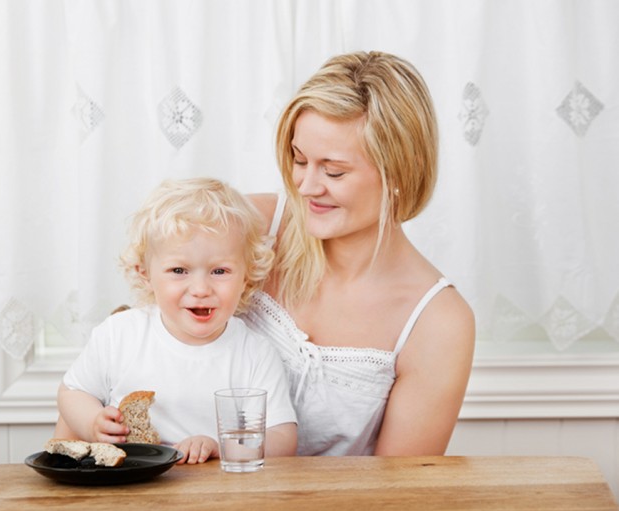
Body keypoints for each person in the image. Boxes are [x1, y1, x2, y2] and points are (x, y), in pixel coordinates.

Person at [242, 51, 475, 456]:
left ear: (401, 169)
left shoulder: (438, 323)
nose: (307, 186)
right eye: (299, 160)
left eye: (334, 171)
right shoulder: (252, 227)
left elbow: (397, 495)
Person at [53, 178, 297, 464]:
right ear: (144, 272)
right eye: (179, 270)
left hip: (216, 495)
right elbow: (72, 392)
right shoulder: (120, 334)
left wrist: (222, 446)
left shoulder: (254, 352)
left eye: (219, 271)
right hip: (129, 487)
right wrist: (93, 422)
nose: (201, 289)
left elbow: (283, 437)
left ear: (247, 275)